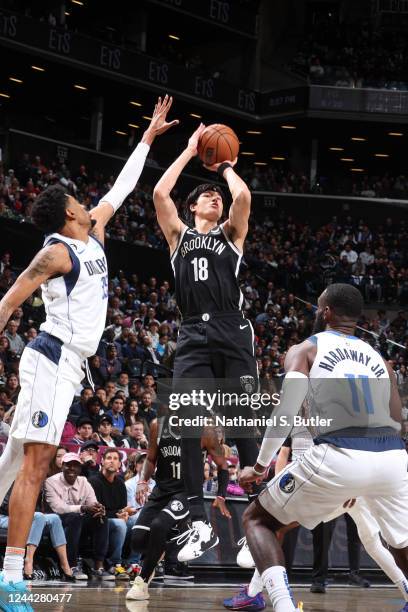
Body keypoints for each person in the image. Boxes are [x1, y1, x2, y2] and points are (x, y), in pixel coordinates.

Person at [0, 94, 178, 605]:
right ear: (68, 212)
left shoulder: (94, 228)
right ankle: (13, 577)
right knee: (36, 464)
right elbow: (11, 301)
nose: (86, 199)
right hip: (49, 358)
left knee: (14, 461)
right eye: (77, 198)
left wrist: (147, 137)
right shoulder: (54, 252)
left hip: (71, 366)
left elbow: (123, 186)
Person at [239, 283, 408, 612]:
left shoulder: (304, 349)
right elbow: (398, 419)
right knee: (401, 544)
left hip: (340, 453)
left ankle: (284, 607)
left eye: (319, 307)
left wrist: (259, 467)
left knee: (258, 520)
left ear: (326, 311)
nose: (318, 311)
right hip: (392, 456)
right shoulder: (381, 360)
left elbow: (285, 412)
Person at [152, 122, 260, 561]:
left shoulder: (231, 236)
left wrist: (227, 166)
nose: (215, 197)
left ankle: (258, 516)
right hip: (193, 331)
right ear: (193, 206)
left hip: (232, 330)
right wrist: (190, 150)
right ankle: (198, 519)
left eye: (218, 195)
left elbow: (244, 199)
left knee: (243, 426)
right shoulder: (180, 236)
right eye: (207, 195)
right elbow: (161, 194)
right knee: (187, 421)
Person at [126, 413, 231, 600]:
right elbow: (151, 459)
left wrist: (221, 495)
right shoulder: (158, 425)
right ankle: (176, 537)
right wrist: (143, 481)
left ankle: (142, 582)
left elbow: (223, 465)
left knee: (159, 526)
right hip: (161, 489)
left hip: (186, 492)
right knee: (138, 541)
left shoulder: (205, 430)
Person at [44, 452, 106, 580]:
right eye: (68, 465)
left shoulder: (83, 481)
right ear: (62, 466)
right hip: (57, 519)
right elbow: (59, 508)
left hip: (78, 518)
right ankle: (71, 565)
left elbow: (92, 502)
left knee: (101, 519)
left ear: (80, 468)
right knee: (75, 517)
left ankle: (98, 566)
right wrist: (83, 508)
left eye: (75, 465)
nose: (72, 468)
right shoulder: (50, 482)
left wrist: (98, 508)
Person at [0, 485, 74, 582]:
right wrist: (28, 512)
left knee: (54, 518)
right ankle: (29, 560)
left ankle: (65, 564)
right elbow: (6, 507)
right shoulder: (14, 483)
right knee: (38, 517)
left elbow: (37, 509)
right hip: (6, 517)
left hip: (28, 517)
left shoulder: (37, 485)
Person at [89, 448, 133, 579]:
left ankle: (133, 562)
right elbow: (97, 510)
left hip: (115, 518)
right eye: (109, 458)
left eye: (115, 459)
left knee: (137, 522)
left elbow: (122, 507)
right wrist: (120, 513)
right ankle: (115, 563)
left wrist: (124, 514)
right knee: (119, 524)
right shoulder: (94, 481)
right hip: (96, 520)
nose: (112, 461)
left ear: (120, 464)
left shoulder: (120, 483)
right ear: (102, 461)